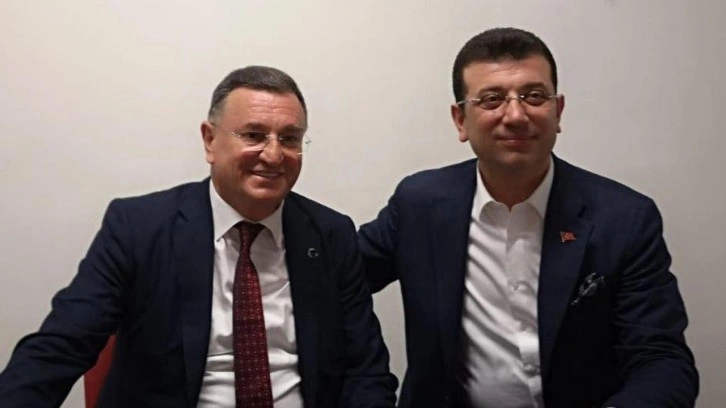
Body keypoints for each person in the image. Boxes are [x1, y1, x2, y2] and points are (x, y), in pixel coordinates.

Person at [0, 65, 397, 407]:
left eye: (289, 138)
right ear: (210, 140)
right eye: (254, 135)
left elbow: (366, 370)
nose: (274, 155)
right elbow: (61, 346)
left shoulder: (330, 234)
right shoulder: (139, 228)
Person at [359, 27, 698, 408]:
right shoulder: (419, 205)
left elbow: (661, 361)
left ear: (558, 111)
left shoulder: (624, 219)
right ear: (460, 120)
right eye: (492, 99)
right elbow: (334, 277)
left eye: (534, 96)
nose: (516, 115)